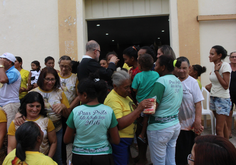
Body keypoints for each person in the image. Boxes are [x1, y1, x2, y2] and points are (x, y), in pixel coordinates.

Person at [16, 67, 70, 165]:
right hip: (38, 130)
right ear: (42, 79)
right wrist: (18, 115)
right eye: (47, 79)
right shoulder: (33, 92)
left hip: (57, 129)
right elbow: (23, 108)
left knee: (58, 157)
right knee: (37, 156)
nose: (50, 82)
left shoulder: (59, 93)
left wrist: (63, 107)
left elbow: (68, 115)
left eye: (52, 79)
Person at [64, 74, 120, 165]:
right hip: (103, 156)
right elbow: (116, 140)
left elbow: (66, 139)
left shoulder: (76, 111)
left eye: (79, 96)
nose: (79, 98)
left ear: (85, 95)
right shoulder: (108, 111)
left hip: (80, 156)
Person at [104, 70, 153, 165]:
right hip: (120, 140)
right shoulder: (113, 100)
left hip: (126, 140)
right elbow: (119, 124)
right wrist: (138, 110)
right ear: (115, 86)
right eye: (126, 87)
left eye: (129, 86)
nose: (129, 90)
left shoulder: (124, 95)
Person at [146, 55, 183, 165]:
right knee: (170, 160)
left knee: (159, 161)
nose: (154, 67)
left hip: (160, 128)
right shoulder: (177, 81)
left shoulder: (161, 81)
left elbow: (151, 108)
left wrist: (140, 110)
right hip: (174, 125)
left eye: (156, 65)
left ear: (163, 67)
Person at [8, 92, 57, 158]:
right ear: (25, 105)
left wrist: (48, 159)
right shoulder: (16, 123)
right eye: (31, 106)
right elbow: (11, 148)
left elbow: (53, 142)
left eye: (38, 106)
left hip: (42, 160)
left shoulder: (46, 121)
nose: (34, 109)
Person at [175, 57, 204, 165]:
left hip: (188, 126)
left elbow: (198, 104)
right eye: (179, 68)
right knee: (177, 154)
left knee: (187, 154)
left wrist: (197, 122)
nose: (181, 70)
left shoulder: (193, 82)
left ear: (189, 68)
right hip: (175, 125)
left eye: (184, 68)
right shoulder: (174, 81)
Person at [131, 53, 160, 165]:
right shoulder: (156, 74)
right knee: (147, 128)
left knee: (140, 129)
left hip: (141, 104)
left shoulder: (138, 76)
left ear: (140, 66)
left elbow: (134, 89)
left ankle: (143, 157)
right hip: (153, 103)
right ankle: (144, 157)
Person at [205, 45, 231, 139]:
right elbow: (216, 83)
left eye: (212, 54)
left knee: (218, 128)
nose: (209, 56)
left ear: (219, 55)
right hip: (214, 97)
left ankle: (222, 150)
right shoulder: (213, 66)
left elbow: (225, 85)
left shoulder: (225, 66)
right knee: (223, 125)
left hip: (222, 99)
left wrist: (216, 71)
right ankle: (227, 146)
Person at [58, 55, 79, 164]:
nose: (64, 69)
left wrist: (69, 108)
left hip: (71, 112)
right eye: (62, 66)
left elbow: (78, 95)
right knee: (60, 140)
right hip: (57, 113)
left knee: (70, 138)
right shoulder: (55, 77)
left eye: (67, 66)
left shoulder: (75, 78)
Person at [0, 52, 21, 130]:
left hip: (11, 104)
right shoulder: (2, 71)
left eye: (3, 59)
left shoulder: (14, 72)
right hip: (2, 103)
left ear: (9, 62)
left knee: (10, 129)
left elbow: (3, 79)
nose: (1, 60)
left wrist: (1, 65)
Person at [227, 51, 236, 138]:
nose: (234, 58)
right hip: (228, 94)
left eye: (235, 57)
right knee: (229, 113)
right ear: (230, 58)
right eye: (233, 57)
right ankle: (228, 132)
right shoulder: (227, 67)